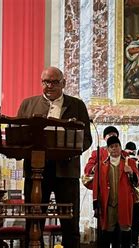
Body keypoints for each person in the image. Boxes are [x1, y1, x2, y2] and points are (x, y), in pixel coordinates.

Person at [17, 66, 93, 248]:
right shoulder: (28, 104)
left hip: (66, 171)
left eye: (54, 82)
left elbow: (86, 139)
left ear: (63, 83)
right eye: (46, 82)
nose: (49, 86)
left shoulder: (76, 105)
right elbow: (18, 135)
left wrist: (71, 152)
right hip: (36, 171)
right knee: (34, 220)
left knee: (70, 223)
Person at [92, 136, 139, 248]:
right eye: (111, 147)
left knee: (125, 230)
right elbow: (96, 185)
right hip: (108, 204)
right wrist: (96, 202)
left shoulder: (130, 162)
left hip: (124, 202)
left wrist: (131, 173)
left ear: (120, 147)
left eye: (116, 146)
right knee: (107, 231)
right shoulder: (101, 165)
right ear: (108, 149)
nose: (114, 148)